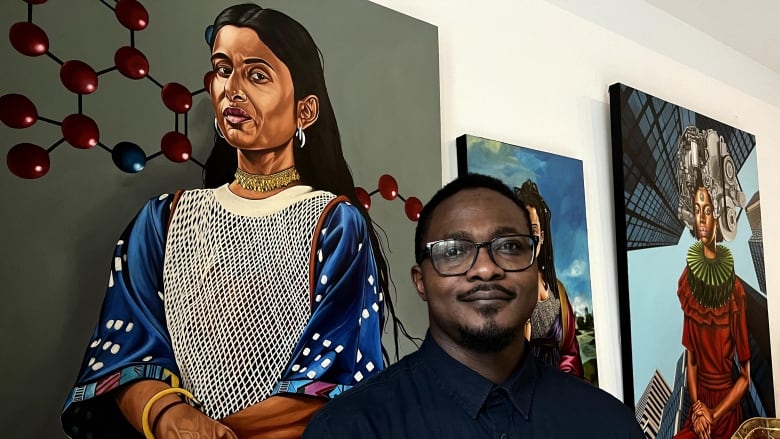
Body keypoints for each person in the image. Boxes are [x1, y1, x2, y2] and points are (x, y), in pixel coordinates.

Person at [61, 4, 402, 438]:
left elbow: (337, 379)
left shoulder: (334, 223)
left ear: (305, 111)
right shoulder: (161, 219)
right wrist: (169, 418)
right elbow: (124, 355)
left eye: (257, 75)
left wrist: (215, 433)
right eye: (223, 70)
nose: (233, 90)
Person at [302, 173, 644, 438]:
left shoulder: (608, 425)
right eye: (453, 250)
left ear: (534, 268)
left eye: (510, 246)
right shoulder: (350, 429)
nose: (485, 268)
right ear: (421, 281)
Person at [673, 128, 750, 439]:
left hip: (726, 412)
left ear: (717, 214)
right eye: (697, 210)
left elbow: (744, 377)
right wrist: (697, 409)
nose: (702, 218)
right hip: (699, 407)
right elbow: (691, 361)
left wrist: (713, 415)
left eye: (707, 210)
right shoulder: (687, 282)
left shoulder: (735, 292)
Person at [514, 179, 584, 378]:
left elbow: (570, 350)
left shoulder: (558, 290)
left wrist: (565, 383)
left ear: (542, 237)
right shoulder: (509, 290)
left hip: (559, 387)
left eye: (533, 231)